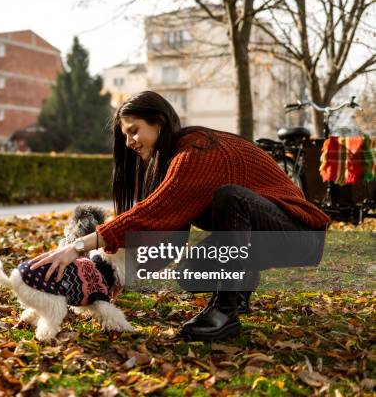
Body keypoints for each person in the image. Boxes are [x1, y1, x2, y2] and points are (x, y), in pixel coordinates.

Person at [29, 90, 329, 341]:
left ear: (159, 123)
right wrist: (108, 276)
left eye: (134, 130)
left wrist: (77, 247)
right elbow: (167, 232)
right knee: (190, 272)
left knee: (230, 198)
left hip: (300, 234)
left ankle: (225, 313)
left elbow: (152, 212)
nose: (130, 141)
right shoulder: (172, 161)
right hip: (262, 235)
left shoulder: (196, 152)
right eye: (125, 135)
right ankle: (241, 286)